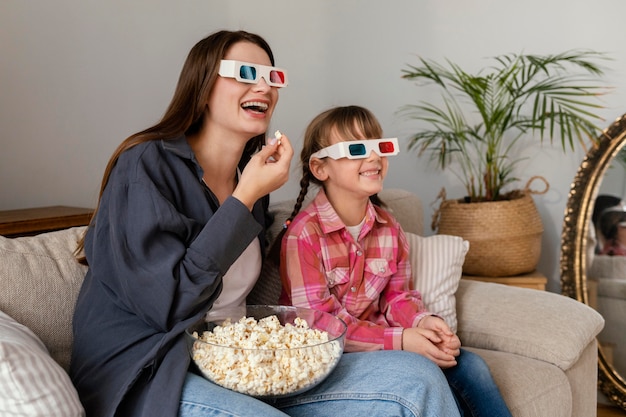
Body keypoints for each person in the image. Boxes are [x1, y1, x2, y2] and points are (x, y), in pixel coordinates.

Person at [69, 31, 460, 417]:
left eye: (272, 77)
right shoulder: (146, 165)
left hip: (242, 364)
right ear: (202, 86)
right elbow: (168, 306)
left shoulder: (251, 184)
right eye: (244, 72)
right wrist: (243, 199)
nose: (264, 86)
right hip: (152, 372)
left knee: (418, 377)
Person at [277, 105, 512, 417]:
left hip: (380, 346)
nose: (374, 158)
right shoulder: (304, 235)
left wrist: (424, 323)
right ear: (321, 168)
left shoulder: (389, 227)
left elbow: (398, 297)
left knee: (471, 366)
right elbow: (320, 326)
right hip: (325, 360)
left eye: (380, 147)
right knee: (419, 371)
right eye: (357, 149)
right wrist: (402, 340)